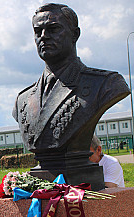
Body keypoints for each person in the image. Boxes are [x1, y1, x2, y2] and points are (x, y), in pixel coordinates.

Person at [12, 3, 130, 188]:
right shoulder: (23, 100)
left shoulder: (106, 84)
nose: (43, 36)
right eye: (38, 31)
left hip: (80, 178)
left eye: (53, 29)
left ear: (75, 35)